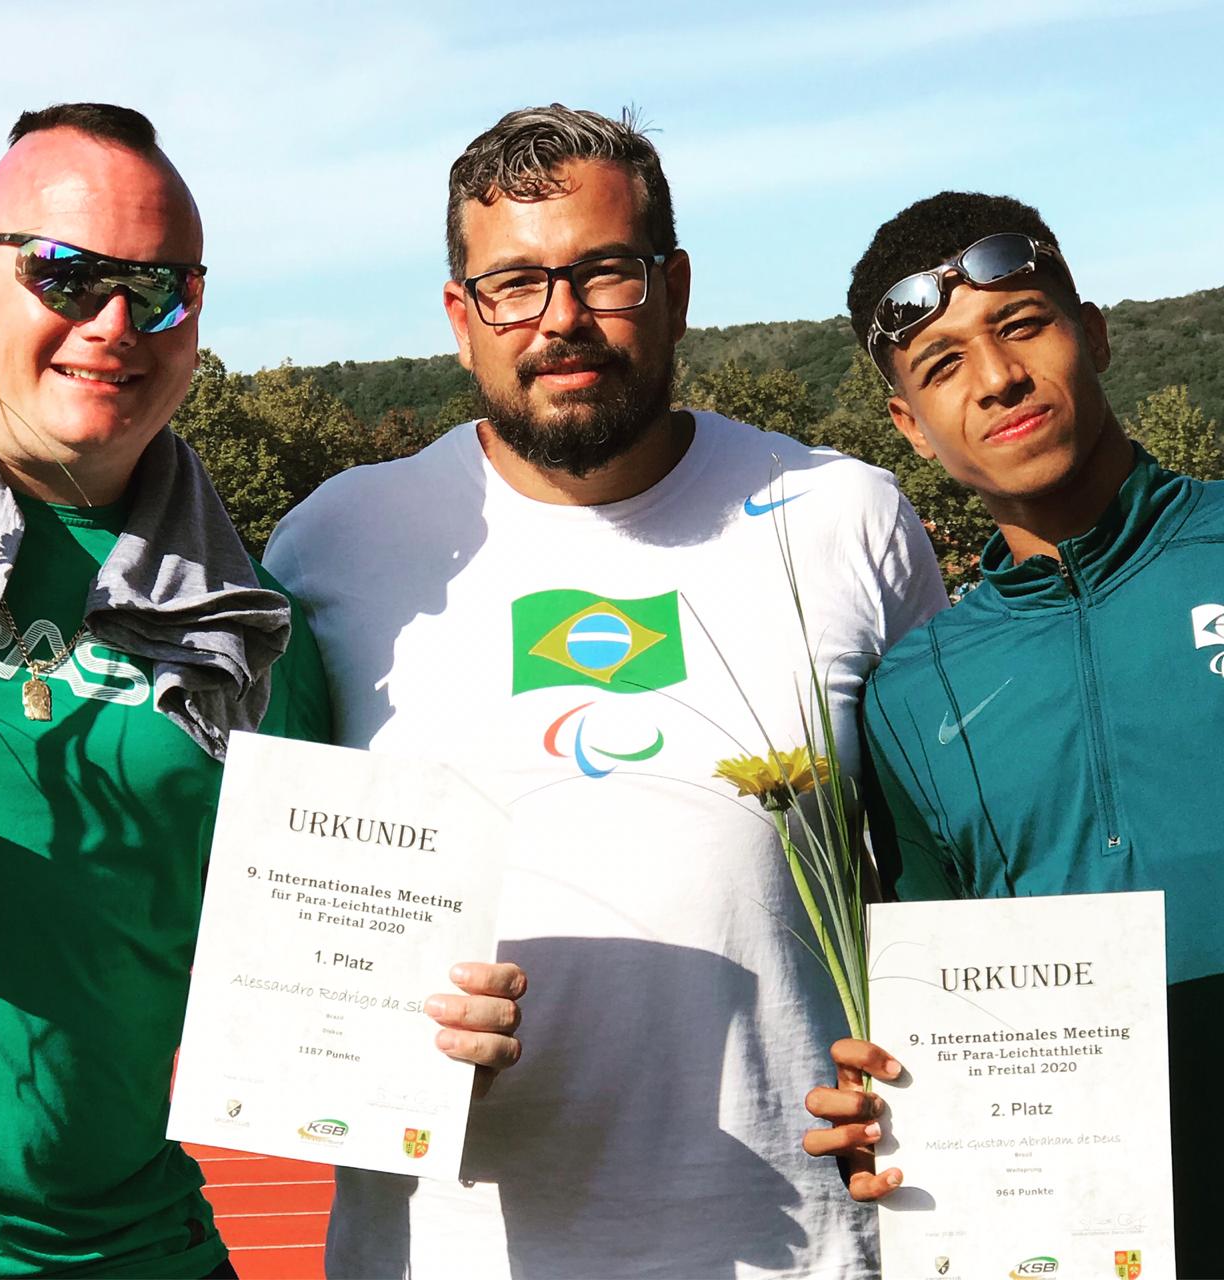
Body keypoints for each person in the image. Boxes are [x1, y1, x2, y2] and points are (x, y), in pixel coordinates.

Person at [265, 104, 948, 1280]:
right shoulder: (330, 544)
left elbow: (948, 878)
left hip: (805, 1250)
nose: (560, 320)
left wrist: (941, 1080)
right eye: (513, 285)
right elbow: (266, 935)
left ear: (674, 286)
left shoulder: (849, 517)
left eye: (604, 273)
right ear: (457, 316)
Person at [0, 102, 523, 1280]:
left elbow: (309, 965)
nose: (113, 324)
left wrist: (426, 1018)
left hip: (135, 1249)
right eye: (67, 274)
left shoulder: (251, 634)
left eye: (157, 290)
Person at [802, 191, 1222, 1277]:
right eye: (940, 364)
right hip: (1079, 1228)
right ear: (906, 425)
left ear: (1092, 330)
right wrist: (891, 1097)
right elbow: (930, 995)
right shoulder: (907, 693)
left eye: (1021, 323)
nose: (994, 378)